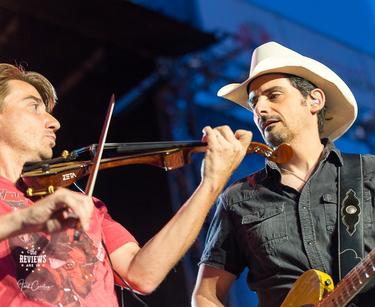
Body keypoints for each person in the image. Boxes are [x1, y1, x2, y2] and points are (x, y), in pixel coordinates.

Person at [192, 42, 375, 306]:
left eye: (273, 95)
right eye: (254, 103)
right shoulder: (239, 199)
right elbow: (206, 295)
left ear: (314, 100)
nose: (260, 109)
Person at [0, 63, 252, 306]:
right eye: (34, 107)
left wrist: (211, 183)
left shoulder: (79, 204)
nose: (54, 123)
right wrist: (25, 219)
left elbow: (142, 274)